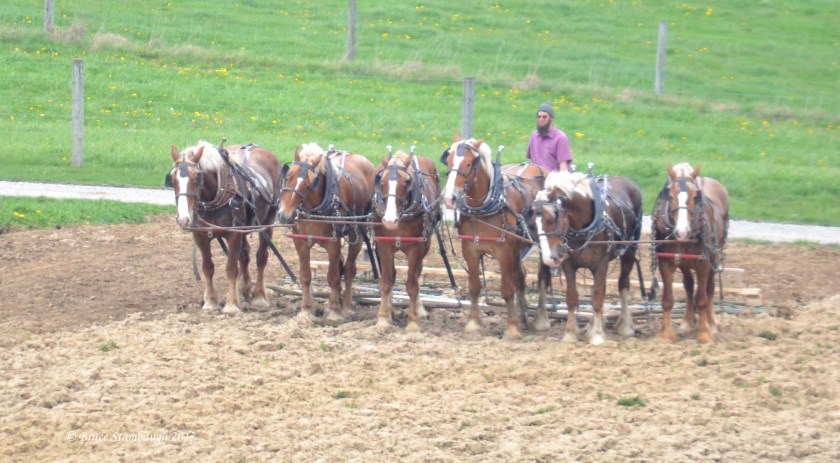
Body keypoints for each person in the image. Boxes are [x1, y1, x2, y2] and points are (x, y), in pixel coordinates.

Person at [526, 102, 573, 172]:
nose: (541, 119)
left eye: (544, 117)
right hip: (535, 179)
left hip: (553, 179)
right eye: (539, 117)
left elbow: (563, 166)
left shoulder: (560, 138)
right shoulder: (534, 135)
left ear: (551, 118)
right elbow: (530, 159)